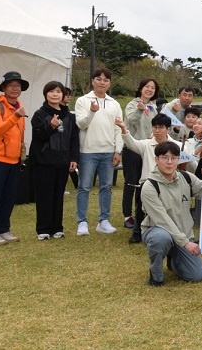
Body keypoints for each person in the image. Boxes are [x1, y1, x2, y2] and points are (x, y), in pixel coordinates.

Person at [142, 142, 202, 286]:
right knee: (161, 238)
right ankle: (156, 274)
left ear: (179, 159)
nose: (169, 162)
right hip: (158, 230)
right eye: (165, 157)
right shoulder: (149, 186)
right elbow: (162, 220)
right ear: (156, 159)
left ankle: (174, 258)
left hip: (183, 233)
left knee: (197, 275)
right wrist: (185, 243)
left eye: (174, 158)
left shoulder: (186, 178)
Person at [75, 68, 123, 236]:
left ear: (109, 83)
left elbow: (118, 128)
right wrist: (92, 112)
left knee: (106, 187)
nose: (102, 82)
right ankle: (82, 222)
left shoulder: (114, 103)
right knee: (84, 187)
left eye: (106, 80)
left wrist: (118, 150)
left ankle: (103, 221)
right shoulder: (83, 100)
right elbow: (81, 124)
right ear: (93, 81)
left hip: (108, 151)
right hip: (88, 151)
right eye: (99, 79)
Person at [0, 71, 29, 245]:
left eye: (18, 86)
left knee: (9, 197)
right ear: (3, 88)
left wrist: (21, 156)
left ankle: (4, 229)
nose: (15, 89)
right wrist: (15, 116)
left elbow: (20, 135)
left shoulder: (19, 106)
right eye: (11, 85)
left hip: (14, 159)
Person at [30, 81, 80, 240]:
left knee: (58, 195)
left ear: (63, 95)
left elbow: (74, 138)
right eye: (51, 91)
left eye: (58, 92)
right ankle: (43, 229)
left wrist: (74, 158)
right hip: (44, 161)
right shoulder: (40, 114)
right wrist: (50, 126)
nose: (55, 94)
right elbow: (38, 137)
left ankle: (57, 227)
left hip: (63, 160)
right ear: (46, 94)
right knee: (45, 195)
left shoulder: (69, 116)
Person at [117, 113, 177, 244]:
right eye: (154, 127)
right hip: (148, 183)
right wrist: (123, 128)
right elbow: (131, 143)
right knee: (141, 203)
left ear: (168, 129)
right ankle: (137, 232)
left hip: (169, 183)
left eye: (161, 127)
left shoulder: (176, 145)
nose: (157, 130)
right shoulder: (146, 144)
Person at [122, 78, 159, 230]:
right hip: (132, 147)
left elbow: (155, 125)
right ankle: (127, 216)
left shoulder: (152, 107)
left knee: (144, 183)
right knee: (131, 182)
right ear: (140, 88)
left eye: (152, 88)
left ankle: (140, 213)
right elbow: (132, 119)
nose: (149, 89)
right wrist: (139, 108)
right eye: (147, 87)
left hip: (147, 148)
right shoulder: (132, 104)